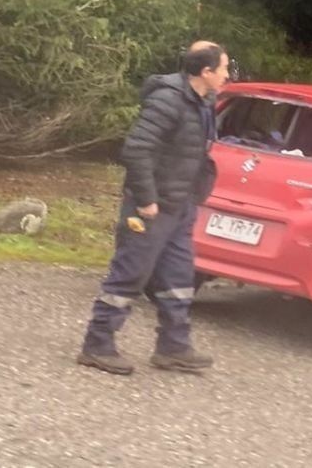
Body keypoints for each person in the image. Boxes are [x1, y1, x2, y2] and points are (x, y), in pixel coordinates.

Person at [77, 41, 229, 375]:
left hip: (181, 205)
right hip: (151, 206)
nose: (227, 75)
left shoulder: (205, 101)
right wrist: (146, 201)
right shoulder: (168, 99)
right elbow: (137, 151)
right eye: (224, 69)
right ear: (206, 72)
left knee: (178, 276)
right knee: (130, 274)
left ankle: (173, 348)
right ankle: (97, 345)